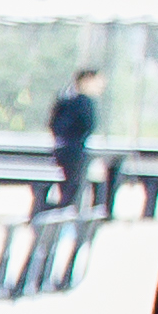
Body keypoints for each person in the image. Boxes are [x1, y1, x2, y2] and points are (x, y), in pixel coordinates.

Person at [51, 64, 107, 210]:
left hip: (62, 148)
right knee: (72, 189)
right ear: (86, 80)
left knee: (70, 188)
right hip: (74, 151)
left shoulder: (65, 99)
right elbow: (88, 125)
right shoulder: (83, 102)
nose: (101, 86)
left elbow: (54, 124)